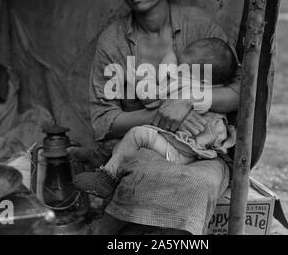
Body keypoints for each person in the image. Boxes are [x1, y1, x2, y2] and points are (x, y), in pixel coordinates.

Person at [82, 0, 242, 235]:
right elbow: (103, 121)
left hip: (203, 150)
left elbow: (240, 92)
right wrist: (161, 116)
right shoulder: (114, 41)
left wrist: (191, 102)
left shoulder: (200, 26)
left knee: (200, 184)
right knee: (143, 176)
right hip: (147, 148)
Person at [74, 37, 237, 199]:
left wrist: (167, 56)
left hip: (180, 152)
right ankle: (105, 162)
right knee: (130, 146)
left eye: (182, 67)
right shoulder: (212, 93)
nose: (178, 70)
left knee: (137, 135)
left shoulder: (183, 86)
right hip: (195, 150)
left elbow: (151, 96)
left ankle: (107, 178)